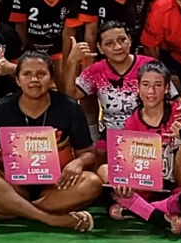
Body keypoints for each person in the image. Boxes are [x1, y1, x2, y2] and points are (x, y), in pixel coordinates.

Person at [0, 51, 103, 231]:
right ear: (17, 79)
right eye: (27, 74)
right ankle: (50, 219)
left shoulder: (69, 108)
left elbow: (87, 155)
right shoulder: (0, 110)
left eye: (41, 74)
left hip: (57, 185)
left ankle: (6, 211)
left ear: (52, 78)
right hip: (13, 185)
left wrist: (78, 163)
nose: (34, 80)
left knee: (92, 182)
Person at [100, 61, 181, 234]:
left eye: (158, 85)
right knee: (104, 171)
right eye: (145, 85)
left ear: (167, 88)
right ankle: (160, 217)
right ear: (137, 87)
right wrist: (123, 181)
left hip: (173, 187)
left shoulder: (180, 114)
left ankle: (137, 210)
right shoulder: (132, 121)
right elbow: (128, 168)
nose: (151, 92)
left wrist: (179, 147)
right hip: (145, 187)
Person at [64, 21, 161, 164]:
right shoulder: (95, 71)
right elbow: (71, 94)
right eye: (109, 43)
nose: (117, 47)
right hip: (113, 135)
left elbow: (175, 99)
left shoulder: (150, 66)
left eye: (122, 40)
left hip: (149, 134)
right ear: (100, 48)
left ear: (130, 40)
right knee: (99, 155)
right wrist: (72, 62)